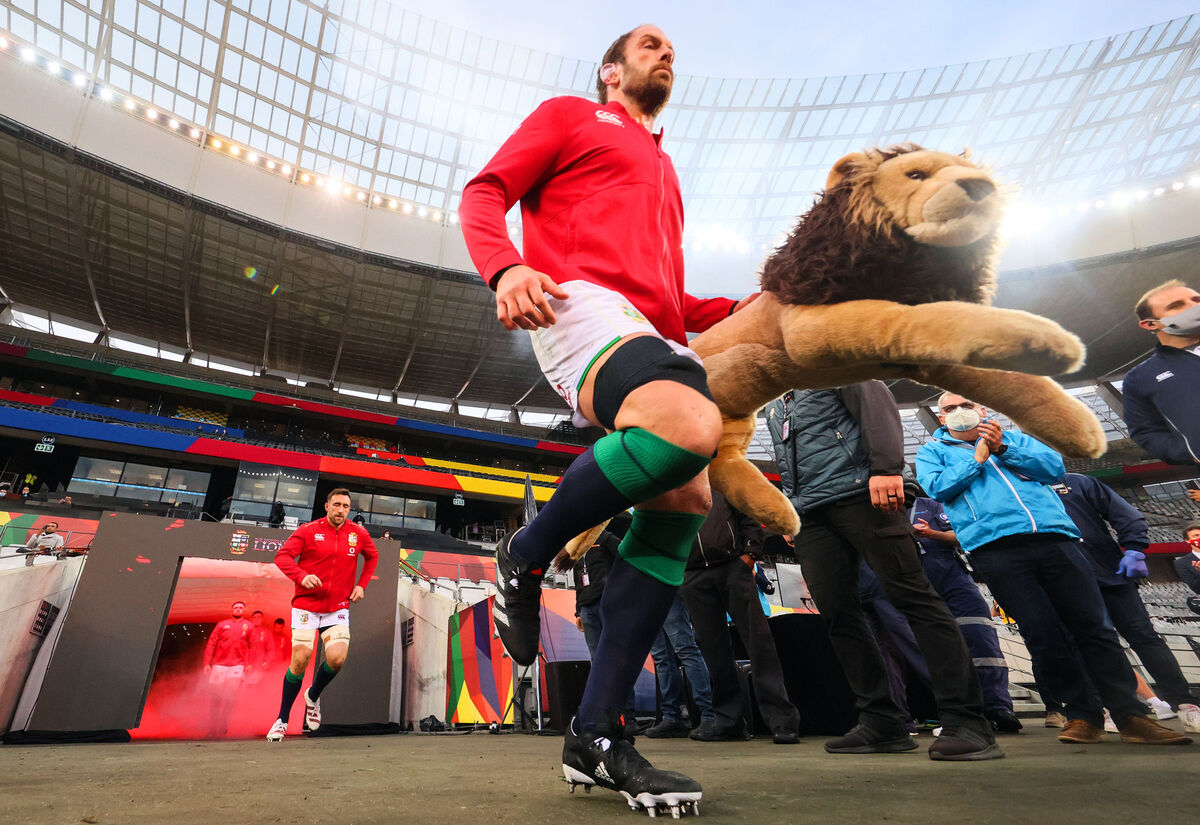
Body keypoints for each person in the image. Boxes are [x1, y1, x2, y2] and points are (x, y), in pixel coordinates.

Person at [459, 24, 755, 812]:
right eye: (651, 43)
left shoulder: (666, 171)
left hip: (650, 329)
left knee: (687, 497)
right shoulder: (570, 115)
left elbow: (669, 297)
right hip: (574, 299)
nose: (668, 52)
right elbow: (483, 192)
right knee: (686, 426)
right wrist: (506, 266)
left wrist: (740, 308)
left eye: (673, 48)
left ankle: (595, 735)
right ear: (610, 70)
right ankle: (526, 551)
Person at [915, 392, 1190, 745]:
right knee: (1043, 634)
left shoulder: (1015, 439)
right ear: (940, 418)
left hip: (1055, 539)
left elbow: (1053, 468)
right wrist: (977, 459)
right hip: (993, 548)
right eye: (949, 408)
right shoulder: (932, 452)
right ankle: (1082, 714)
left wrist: (1002, 449)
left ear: (982, 409)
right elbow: (938, 487)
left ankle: (1131, 716)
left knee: (1095, 628)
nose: (958, 411)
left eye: (965, 404)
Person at [767, 381, 1001, 761]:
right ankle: (882, 722)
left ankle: (968, 720)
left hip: (865, 493)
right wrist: (790, 509)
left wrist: (886, 468)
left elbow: (878, 408)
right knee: (837, 613)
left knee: (913, 598)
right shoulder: (777, 402)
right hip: (811, 512)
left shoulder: (836, 365)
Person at [1053, 473, 1200, 732]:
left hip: (1109, 573)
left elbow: (1126, 514)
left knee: (1144, 637)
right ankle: (1115, 708)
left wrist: (1134, 548)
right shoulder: (1014, 487)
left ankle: (1184, 703)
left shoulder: (1077, 482)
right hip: (1065, 579)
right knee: (1091, 645)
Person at [681, 489, 799, 744]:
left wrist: (751, 553)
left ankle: (782, 719)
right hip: (692, 575)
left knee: (759, 643)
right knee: (713, 649)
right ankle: (728, 721)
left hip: (732, 567)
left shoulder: (721, 478)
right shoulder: (670, 485)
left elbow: (748, 511)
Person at [266, 488, 379, 742]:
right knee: (300, 659)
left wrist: (362, 585)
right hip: (306, 605)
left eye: (346, 506)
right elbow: (282, 557)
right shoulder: (307, 530)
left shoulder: (358, 534)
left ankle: (313, 696)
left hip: (337, 607)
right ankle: (282, 720)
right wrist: (301, 576)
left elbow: (372, 557)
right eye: (337, 505)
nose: (341, 510)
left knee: (337, 659)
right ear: (327, 507)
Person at [910, 496, 1021, 733]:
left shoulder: (930, 505)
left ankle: (998, 708)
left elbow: (964, 535)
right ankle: (947, 711)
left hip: (952, 577)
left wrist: (931, 534)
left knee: (981, 639)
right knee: (925, 647)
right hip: (911, 580)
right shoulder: (872, 511)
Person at [566, 531, 637, 740]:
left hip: (608, 605)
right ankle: (604, 715)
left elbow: (627, 562)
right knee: (597, 662)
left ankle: (627, 715)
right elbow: (578, 581)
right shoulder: (578, 547)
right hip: (587, 610)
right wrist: (578, 611)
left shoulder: (606, 539)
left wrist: (621, 595)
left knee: (617, 659)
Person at [1122, 280, 1200, 464]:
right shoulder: (1140, 377)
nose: (1194, 306)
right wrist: (1190, 452)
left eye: (1196, 300)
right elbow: (1145, 431)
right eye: (1176, 305)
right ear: (1150, 324)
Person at [645, 596, 717, 739]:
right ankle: (672, 717)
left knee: (684, 649)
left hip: (667, 588)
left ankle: (709, 715)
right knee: (662, 656)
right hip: (646, 594)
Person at [203, 601, 253, 735]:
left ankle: (224, 722)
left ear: (244, 610)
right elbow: (211, 643)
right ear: (232, 610)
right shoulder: (222, 625)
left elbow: (253, 645)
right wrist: (207, 663)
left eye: (241, 607)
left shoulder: (248, 626)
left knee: (231, 695)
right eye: (236, 607)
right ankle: (212, 726)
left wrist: (250, 664)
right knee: (216, 696)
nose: (238, 609)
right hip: (219, 665)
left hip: (237, 666)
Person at [246, 610, 273, 685]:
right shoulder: (246, 631)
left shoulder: (267, 632)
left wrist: (266, 662)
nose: (257, 619)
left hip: (259, 666)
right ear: (251, 619)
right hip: (246, 665)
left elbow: (271, 649)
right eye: (254, 617)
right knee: (242, 687)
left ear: (262, 619)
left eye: (259, 617)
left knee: (254, 686)